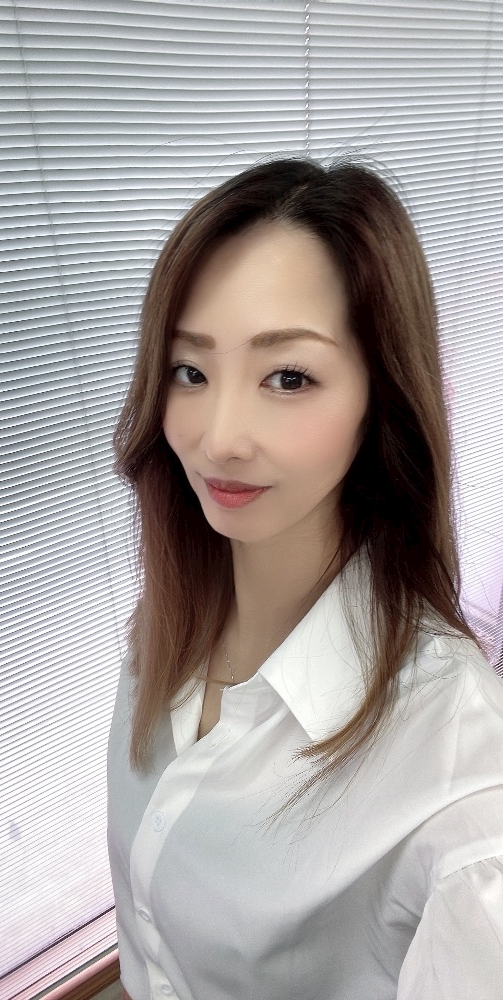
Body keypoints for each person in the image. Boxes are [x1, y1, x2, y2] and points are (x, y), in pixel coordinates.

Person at [107, 156, 503, 1000]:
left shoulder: (464, 791)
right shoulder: (163, 626)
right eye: (190, 371)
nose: (219, 438)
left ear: (380, 398)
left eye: (288, 377)